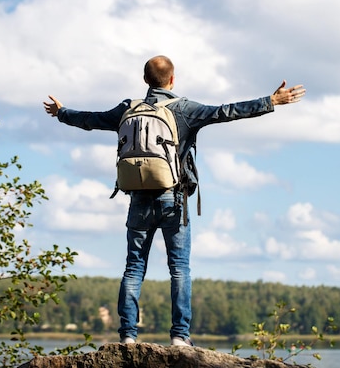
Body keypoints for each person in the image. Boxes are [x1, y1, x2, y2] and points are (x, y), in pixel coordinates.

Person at [43, 55, 306, 346]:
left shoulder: (126, 109)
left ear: (145, 81)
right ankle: (180, 337)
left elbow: (90, 120)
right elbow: (227, 111)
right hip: (173, 200)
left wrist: (61, 112)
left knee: (133, 268)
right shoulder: (184, 109)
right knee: (179, 268)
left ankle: (128, 337)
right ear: (172, 79)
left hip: (139, 200)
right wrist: (271, 101)